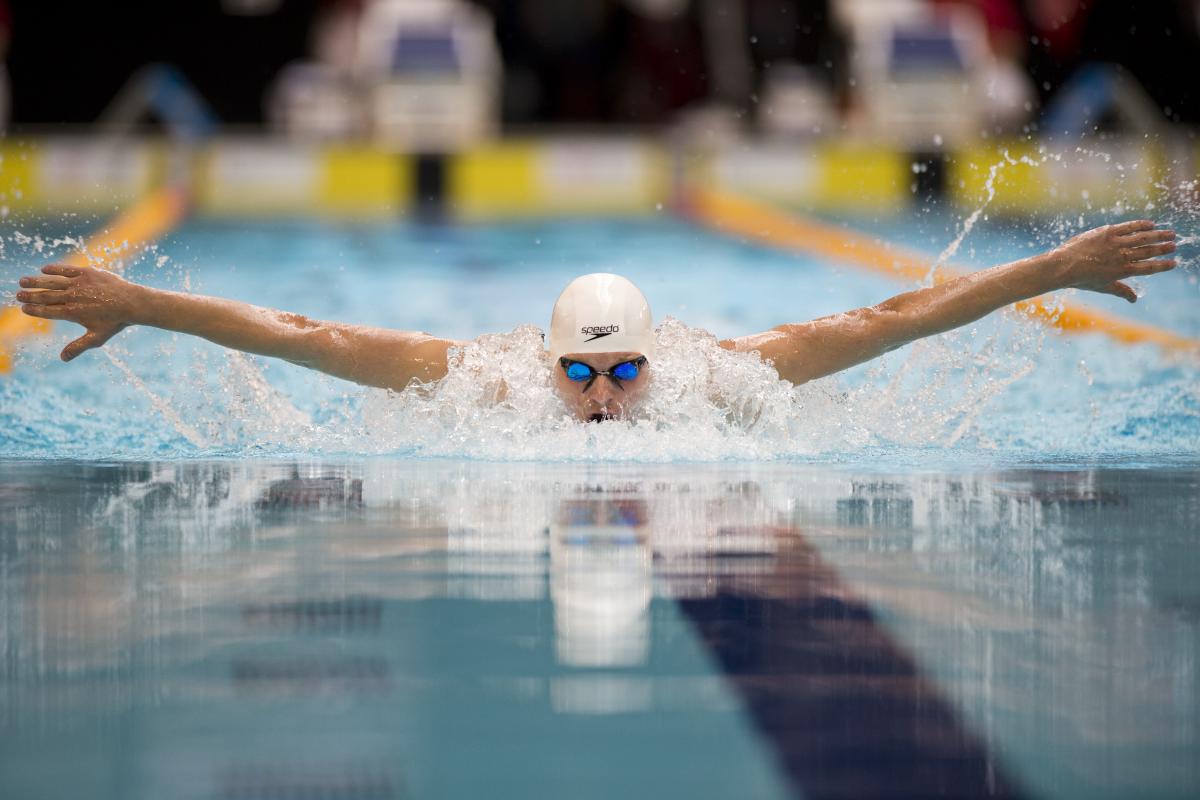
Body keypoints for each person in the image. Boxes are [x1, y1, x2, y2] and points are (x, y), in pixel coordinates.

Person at [14, 220, 1177, 423]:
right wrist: (140, 302)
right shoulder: (490, 381)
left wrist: (1050, 268)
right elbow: (303, 332)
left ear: (657, 351)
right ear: (544, 356)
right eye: (581, 372)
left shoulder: (722, 377)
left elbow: (900, 314)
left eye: (621, 370)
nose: (607, 397)